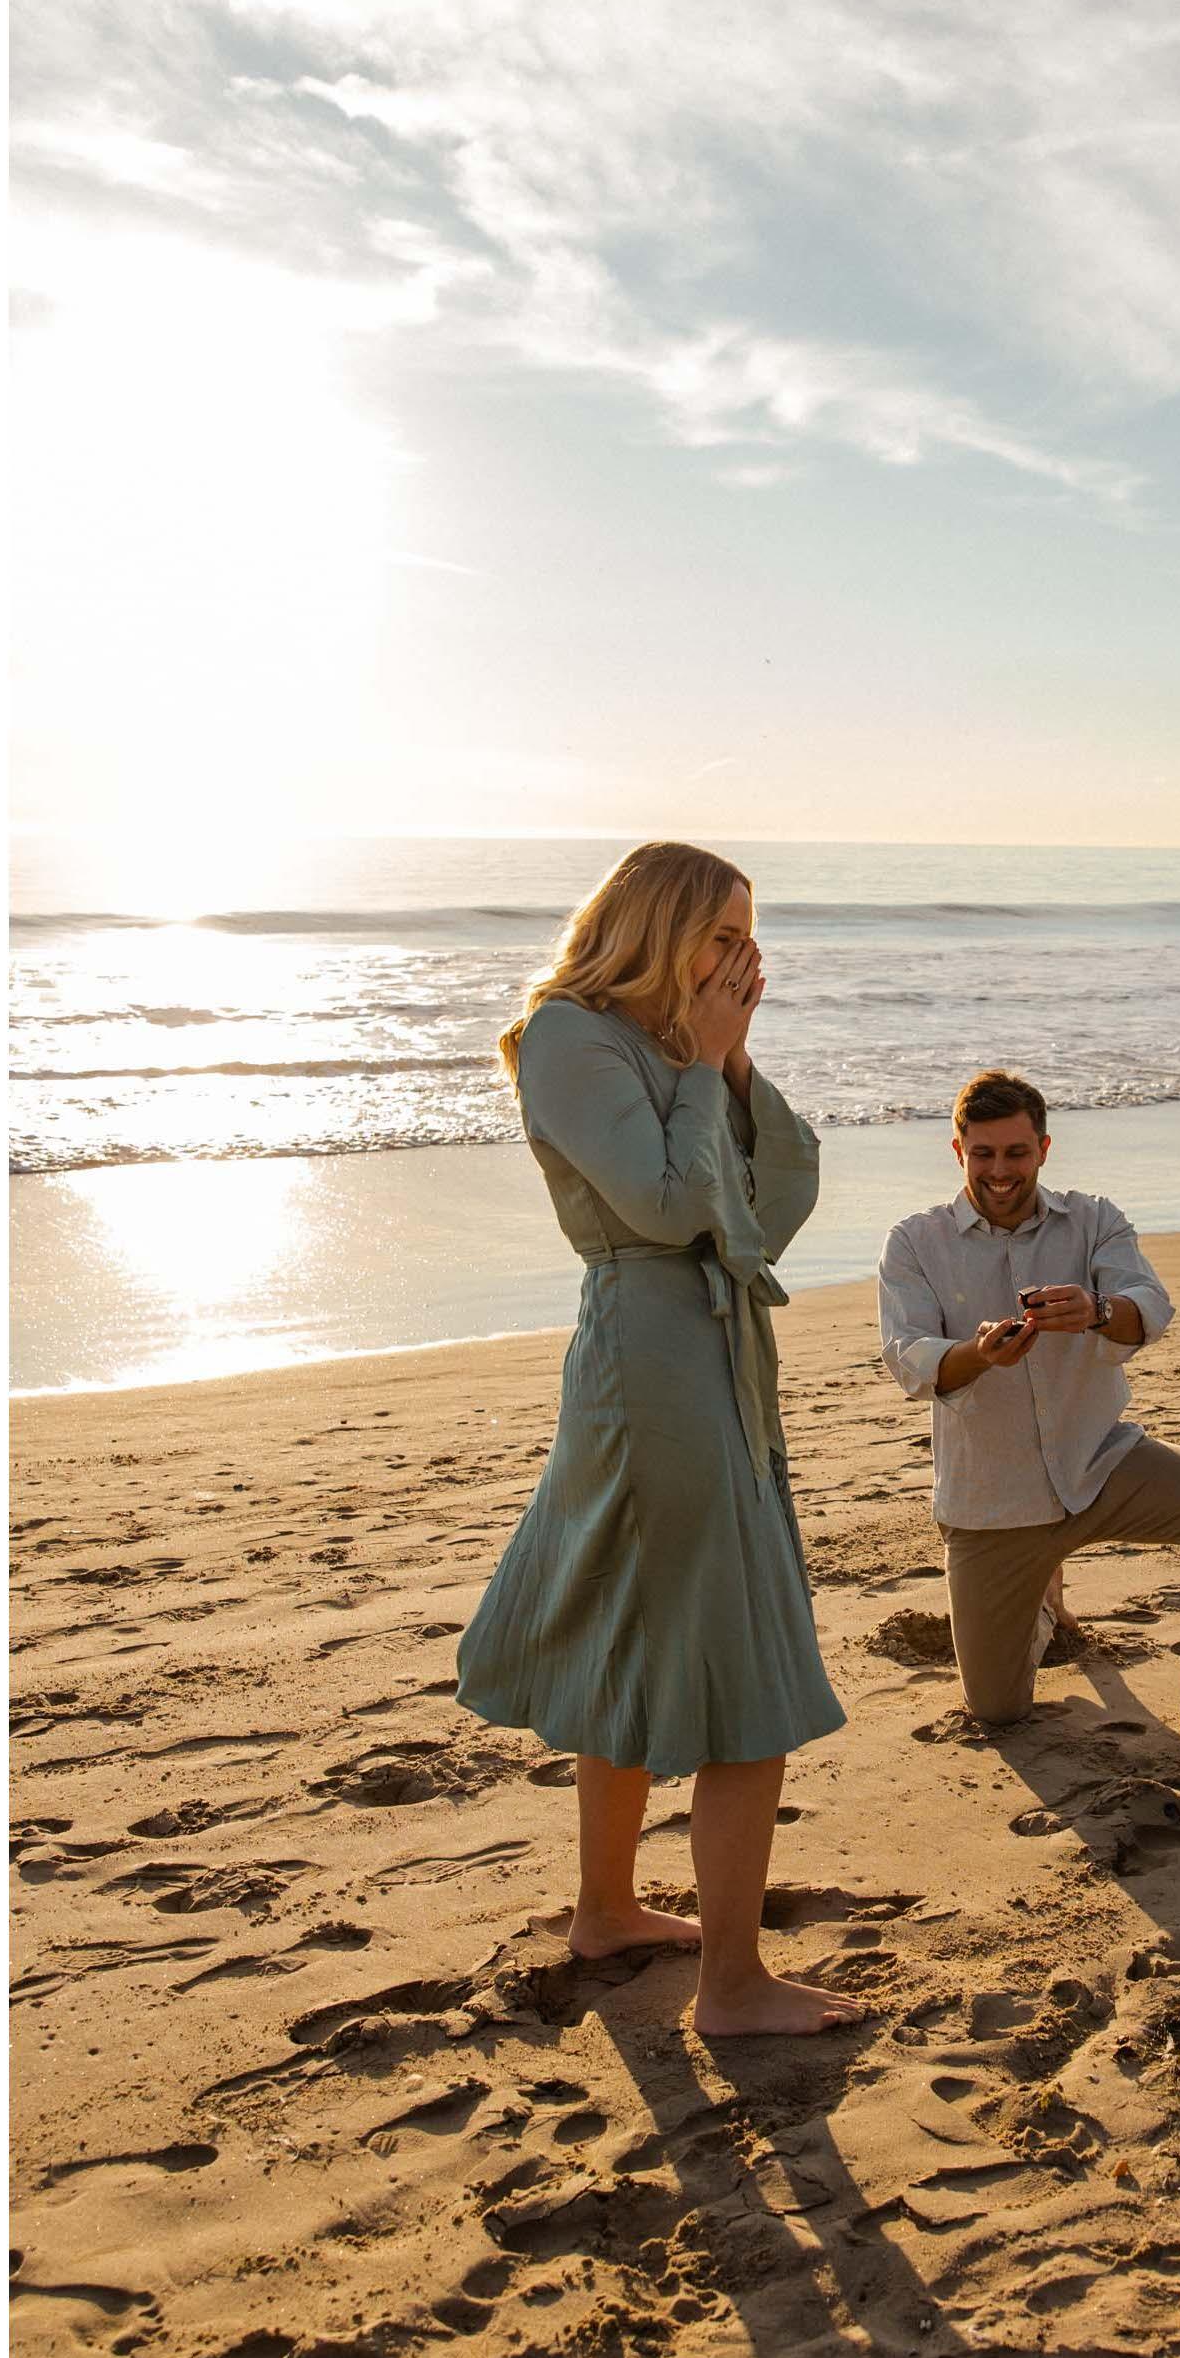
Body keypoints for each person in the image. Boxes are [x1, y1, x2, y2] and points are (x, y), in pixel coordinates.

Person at [456, 842, 860, 2037]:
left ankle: (605, 1912)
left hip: (713, 1346)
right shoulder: (573, 1036)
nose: (747, 962)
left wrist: (720, 1063)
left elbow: (775, 1204)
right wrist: (707, 1065)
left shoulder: (685, 1049)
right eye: (726, 936)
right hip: (653, 1358)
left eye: (752, 940)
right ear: (664, 926)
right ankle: (732, 1986)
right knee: (745, 1664)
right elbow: (672, 1209)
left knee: (644, 1630)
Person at [876, 1070, 1180, 1764]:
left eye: (1016, 1153)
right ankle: (1042, 1594)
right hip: (992, 1502)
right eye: (983, 1154)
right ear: (957, 1152)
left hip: (1102, 1464)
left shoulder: (1094, 1219)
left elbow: (1148, 1304)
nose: (1000, 1171)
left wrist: (1097, 1309)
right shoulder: (914, 1241)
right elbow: (907, 1356)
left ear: (1043, 1148)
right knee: (1000, 1711)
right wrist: (976, 1356)